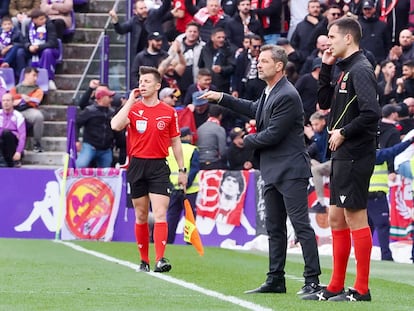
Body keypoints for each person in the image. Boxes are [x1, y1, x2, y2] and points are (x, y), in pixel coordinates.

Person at [199, 44, 321, 295]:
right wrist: (221, 97)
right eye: (258, 60)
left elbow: (274, 134)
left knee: (300, 226)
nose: (259, 64)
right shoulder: (269, 92)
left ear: (279, 66)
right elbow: (253, 108)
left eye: (264, 60)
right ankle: (275, 278)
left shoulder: (287, 94)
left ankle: (312, 281)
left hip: (291, 169)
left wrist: (247, 139)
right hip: (273, 169)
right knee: (274, 228)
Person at [302, 17, 381, 302]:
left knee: (354, 216)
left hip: (355, 153)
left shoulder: (361, 69)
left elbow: (372, 113)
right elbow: (323, 104)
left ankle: (361, 289)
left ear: (348, 38)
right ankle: (335, 285)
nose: (328, 41)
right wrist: (325, 66)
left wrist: (344, 132)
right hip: (341, 153)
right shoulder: (344, 69)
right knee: (336, 218)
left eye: (332, 37)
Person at [111, 66, 187, 273]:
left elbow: (176, 142)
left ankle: (160, 259)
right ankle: (143, 260)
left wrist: (182, 169)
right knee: (142, 215)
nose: (141, 85)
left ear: (157, 85)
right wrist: (130, 101)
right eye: (140, 81)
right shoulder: (133, 109)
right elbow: (115, 125)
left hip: (159, 166)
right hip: (136, 164)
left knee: (160, 213)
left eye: (146, 81)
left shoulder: (169, 112)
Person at [166, 126, 200, 243]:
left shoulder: (170, 150)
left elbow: (165, 169)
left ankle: (168, 241)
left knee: (171, 216)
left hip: (173, 189)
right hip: (189, 190)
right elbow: (195, 169)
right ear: (188, 136)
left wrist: (171, 185)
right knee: (189, 218)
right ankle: (190, 242)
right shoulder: (193, 149)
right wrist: (188, 183)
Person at [75, 85, 116, 168]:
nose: (111, 99)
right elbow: (76, 124)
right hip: (90, 146)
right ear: (102, 97)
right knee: (80, 166)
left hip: (106, 149)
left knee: (107, 174)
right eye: (109, 96)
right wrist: (76, 140)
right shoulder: (89, 111)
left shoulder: (112, 112)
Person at [22, 9, 60, 90]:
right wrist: (29, 46)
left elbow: (52, 42)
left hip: (50, 50)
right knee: (20, 52)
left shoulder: (49, 25)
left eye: (44, 18)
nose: (44, 20)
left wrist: (38, 47)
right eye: (41, 19)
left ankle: (48, 79)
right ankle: (22, 79)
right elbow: (25, 40)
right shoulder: (28, 26)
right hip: (33, 51)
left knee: (47, 52)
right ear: (34, 20)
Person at [10, 66, 44, 152]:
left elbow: (34, 101)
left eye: (37, 76)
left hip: (28, 110)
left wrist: (20, 100)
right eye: (34, 75)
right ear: (26, 75)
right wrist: (21, 96)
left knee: (38, 116)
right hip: (14, 110)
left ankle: (37, 144)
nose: (36, 78)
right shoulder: (16, 87)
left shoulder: (38, 90)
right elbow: (11, 98)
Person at [196, 104, 227, 169]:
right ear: (220, 116)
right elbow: (222, 152)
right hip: (213, 162)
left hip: (199, 162)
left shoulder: (200, 128)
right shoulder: (219, 129)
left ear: (208, 115)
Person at [0, 92, 26, 167]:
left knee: (6, 133)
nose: (5, 103)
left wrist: (18, 151)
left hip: (13, 143)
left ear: (13, 102)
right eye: (4, 100)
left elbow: (22, 136)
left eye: (8, 100)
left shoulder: (18, 116)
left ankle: (14, 161)